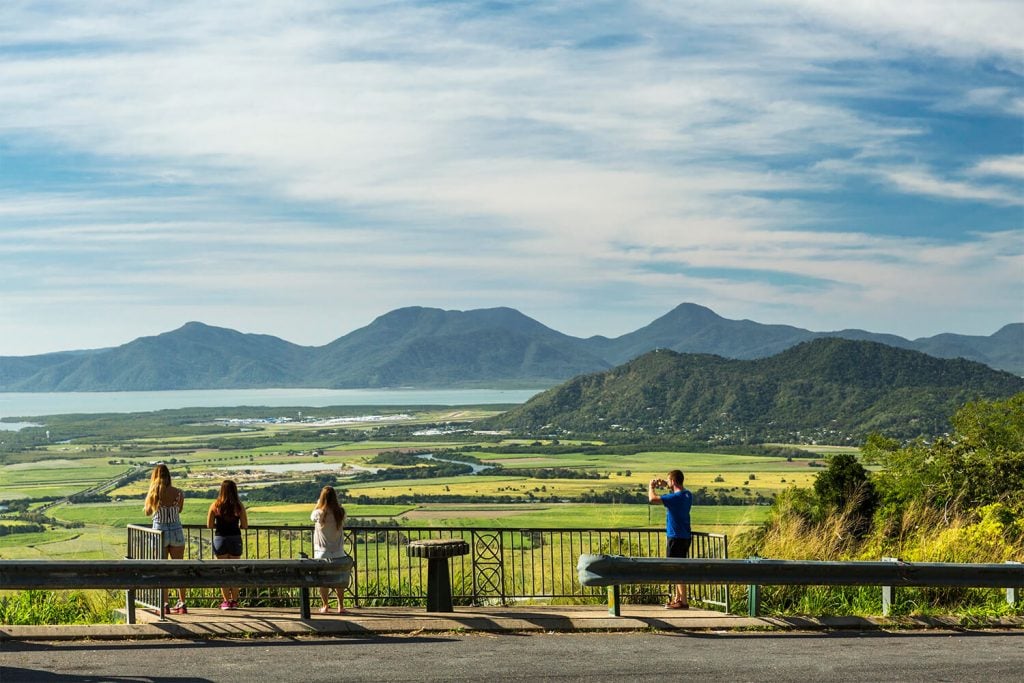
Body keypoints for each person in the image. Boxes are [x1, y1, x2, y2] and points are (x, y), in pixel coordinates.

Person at [143, 463, 188, 614]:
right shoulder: (178, 493)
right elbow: (179, 509)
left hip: (159, 532)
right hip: (176, 531)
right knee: (179, 568)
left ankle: (164, 604)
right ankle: (182, 603)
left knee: (162, 569)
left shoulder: (154, 493)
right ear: (169, 476)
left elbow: (148, 512)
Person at [649, 469, 693, 609]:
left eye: (669, 481)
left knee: (676, 570)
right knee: (679, 567)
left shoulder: (674, 498)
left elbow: (653, 499)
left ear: (673, 481)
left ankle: (683, 601)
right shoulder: (687, 495)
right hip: (685, 536)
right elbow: (674, 492)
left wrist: (651, 487)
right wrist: (666, 484)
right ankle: (677, 598)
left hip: (675, 537)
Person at [207, 479, 248, 610]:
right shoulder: (239, 506)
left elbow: (209, 525)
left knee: (223, 571)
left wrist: (218, 524)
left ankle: (225, 602)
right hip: (235, 539)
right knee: (235, 571)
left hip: (220, 539)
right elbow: (245, 525)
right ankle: (234, 601)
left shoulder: (215, 505)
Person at [311, 485, 348, 614]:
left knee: (323, 580)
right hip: (338, 552)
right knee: (339, 580)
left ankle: (325, 605)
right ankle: (340, 606)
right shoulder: (340, 512)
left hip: (322, 552)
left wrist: (317, 505)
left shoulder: (319, 513)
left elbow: (311, 517)